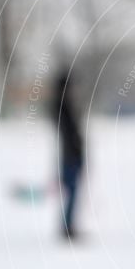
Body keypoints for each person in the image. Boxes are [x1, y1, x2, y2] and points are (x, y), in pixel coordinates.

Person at [51, 70, 85, 240]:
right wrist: (77, 153)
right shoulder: (63, 107)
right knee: (71, 192)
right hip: (69, 157)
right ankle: (67, 227)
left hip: (69, 156)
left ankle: (68, 225)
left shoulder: (63, 106)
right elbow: (71, 135)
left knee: (72, 193)